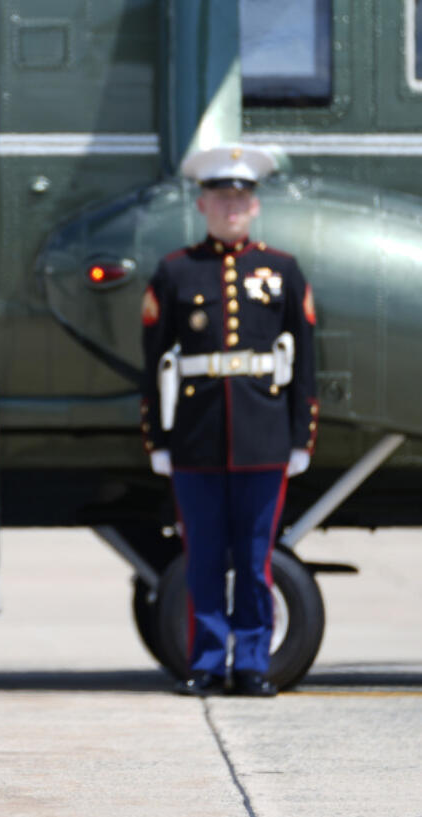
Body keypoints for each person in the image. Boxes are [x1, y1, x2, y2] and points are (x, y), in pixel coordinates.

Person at [140, 144, 317, 697]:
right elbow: (152, 365)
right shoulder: (175, 272)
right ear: (202, 203)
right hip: (196, 440)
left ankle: (255, 665)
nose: (231, 206)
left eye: (241, 196)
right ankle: (208, 663)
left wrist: (300, 436)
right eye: (221, 196)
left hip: (264, 440)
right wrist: (159, 438)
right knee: (204, 562)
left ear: (254, 206)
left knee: (255, 561)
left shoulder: (283, 270)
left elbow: (306, 361)